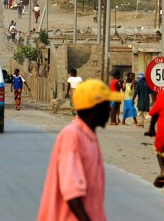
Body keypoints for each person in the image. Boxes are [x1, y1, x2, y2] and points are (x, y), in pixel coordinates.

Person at [37, 79, 123, 221]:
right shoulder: (72, 136)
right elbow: (72, 191)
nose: (109, 110)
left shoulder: (89, 137)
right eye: (106, 105)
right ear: (94, 109)